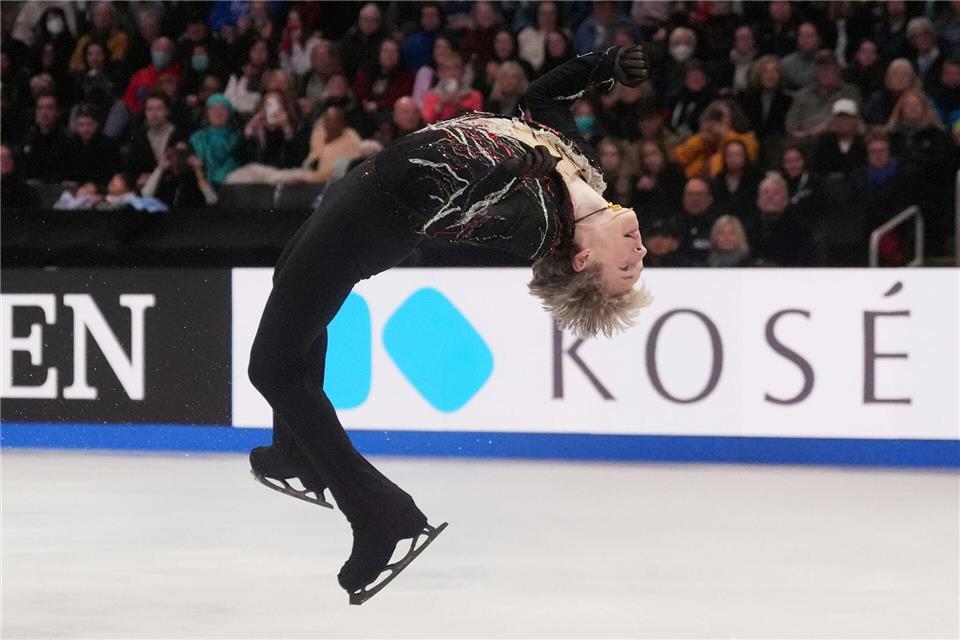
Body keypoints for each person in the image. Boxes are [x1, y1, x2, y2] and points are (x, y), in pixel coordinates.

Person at [246, 45, 651, 605]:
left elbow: (447, 216)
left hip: (373, 217)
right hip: (369, 189)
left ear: (583, 261)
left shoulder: (539, 228)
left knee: (272, 367)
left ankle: (380, 515)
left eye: (627, 267)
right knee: (290, 283)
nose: (642, 249)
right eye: (640, 259)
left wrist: (502, 174)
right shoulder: (587, 177)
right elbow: (538, 103)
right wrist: (600, 67)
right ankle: (293, 452)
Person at [749, 173, 817, 267]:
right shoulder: (748, 230)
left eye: (776, 193)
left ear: (786, 200)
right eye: (765, 192)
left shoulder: (801, 231)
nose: (770, 197)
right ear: (758, 201)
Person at [188, 93, 243, 186]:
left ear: (229, 113)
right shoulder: (196, 138)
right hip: (200, 187)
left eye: (223, 108)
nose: (218, 112)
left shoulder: (239, 137)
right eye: (213, 108)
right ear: (207, 113)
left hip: (233, 187)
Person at [420, 53, 483, 124]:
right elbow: (427, 122)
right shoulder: (430, 96)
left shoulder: (474, 96)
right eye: (447, 69)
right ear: (441, 72)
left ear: (463, 72)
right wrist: (440, 105)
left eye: (456, 68)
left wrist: (459, 106)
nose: (452, 73)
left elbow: (476, 121)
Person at [675, 177, 717, 265]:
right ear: (684, 198)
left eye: (699, 194)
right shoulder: (672, 225)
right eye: (690, 194)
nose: (695, 199)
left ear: (710, 198)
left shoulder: (719, 226)